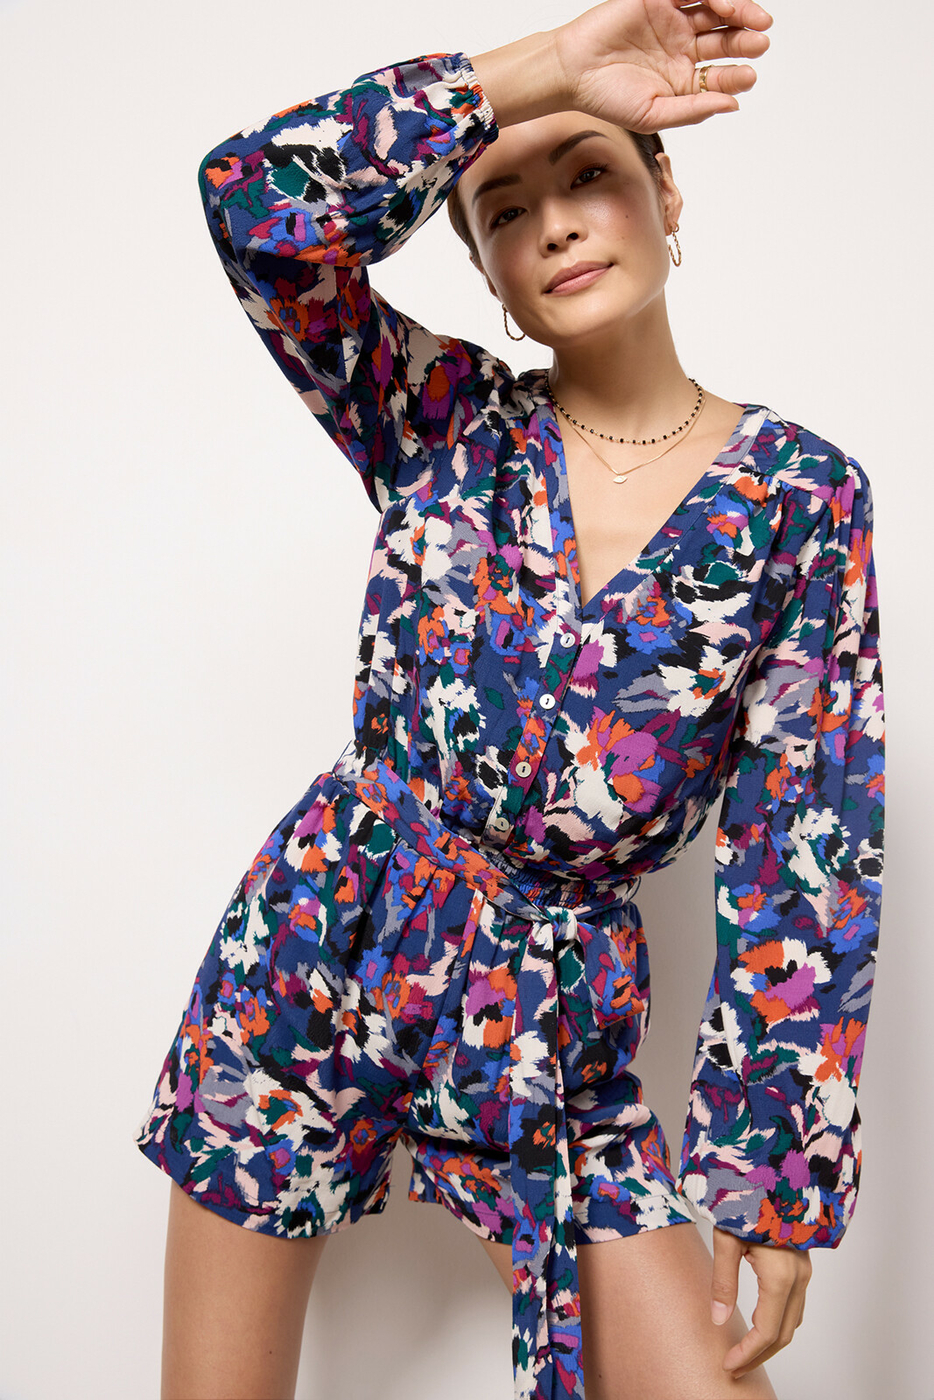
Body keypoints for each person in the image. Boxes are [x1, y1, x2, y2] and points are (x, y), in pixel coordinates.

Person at [133, 2, 885, 1397]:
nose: (553, 225)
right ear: (483, 267)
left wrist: (775, 1178)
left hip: (548, 1019)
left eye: (590, 172)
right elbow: (252, 201)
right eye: (504, 209)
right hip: (319, 948)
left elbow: (806, 845)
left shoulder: (798, 498)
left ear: (666, 192)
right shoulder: (438, 423)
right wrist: (539, 73)